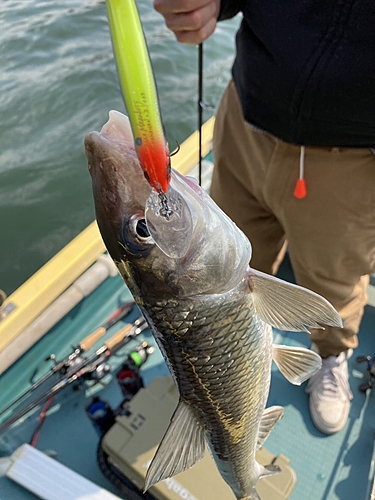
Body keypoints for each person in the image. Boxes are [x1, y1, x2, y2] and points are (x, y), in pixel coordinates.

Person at [153, 0, 375, 435]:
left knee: (332, 277)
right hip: (246, 113)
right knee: (214, 265)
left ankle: (331, 355)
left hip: (352, 153)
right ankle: (221, 363)